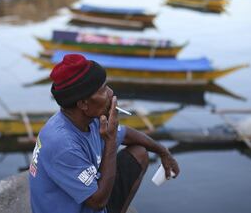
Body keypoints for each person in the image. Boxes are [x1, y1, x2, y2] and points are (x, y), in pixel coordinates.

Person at [29, 53, 180, 213]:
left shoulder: (88, 118)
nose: (110, 93)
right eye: (103, 90)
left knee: (139, 153)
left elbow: (127, 134)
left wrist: (163, 151)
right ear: (83, 103)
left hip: (90, 198)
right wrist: (110, 140)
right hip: (85, 203)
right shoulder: (62, 144)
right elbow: (98, 201)